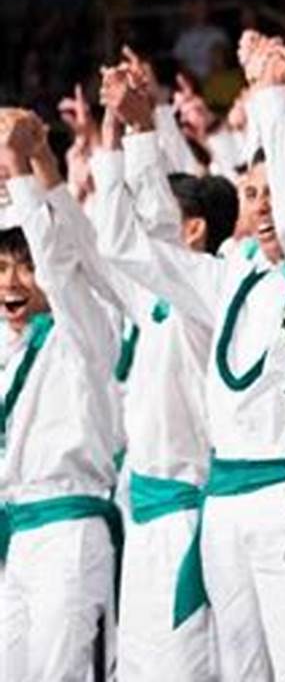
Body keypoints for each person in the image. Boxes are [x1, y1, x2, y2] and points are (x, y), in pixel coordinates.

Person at [94, 42, 285, 680]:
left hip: (284, 495)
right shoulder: (226, 280)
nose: (264, 204)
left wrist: (277, 98)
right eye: (251, 192)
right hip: (223, 506)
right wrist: (133, 134)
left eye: (274, 190)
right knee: (241, 668)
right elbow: (130, 246)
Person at [88, 61, 237, 682]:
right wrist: (113, 139)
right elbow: (113, 236)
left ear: (194, 229)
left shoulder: (206, 300)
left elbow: (140, 232)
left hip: (185, 514)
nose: (153, 235)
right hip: (144, 519)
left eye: (169, 221)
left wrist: (145, 129)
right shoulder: (152, 305)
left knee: (187, 670)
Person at [0, 108, 124, 682]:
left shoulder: (84, 329)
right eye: (0, 268)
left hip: (70, 532)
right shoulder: (11, 348)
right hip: (16, 538)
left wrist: (25, 168)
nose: (10, 283)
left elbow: (62, 263)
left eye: (21, 269)